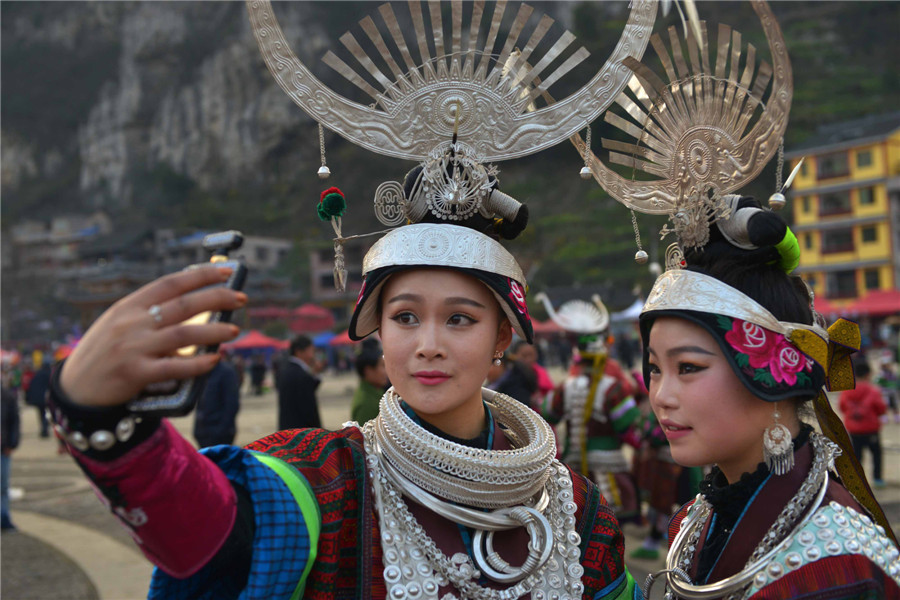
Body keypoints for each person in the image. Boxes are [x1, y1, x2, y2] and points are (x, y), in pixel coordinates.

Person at [636, 200, 900, 597]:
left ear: (772, 374)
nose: (660, 396)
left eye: (688, 367)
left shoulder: (837, 567)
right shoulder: (691, 522)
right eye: (655, 368)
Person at [535, 293, 641, 524]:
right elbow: (627, 424)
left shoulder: (566, 386)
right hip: (609, 466)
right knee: (610, 520)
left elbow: (548, 412)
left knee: (580, 520)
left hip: (575, 469)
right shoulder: (613, 388)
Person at [839, 360, 887, 487]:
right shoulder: (873, 390)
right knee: (876, 454)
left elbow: (842, 407)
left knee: (856, 456)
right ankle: (877, 479)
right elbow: (881, 408)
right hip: (871, 429)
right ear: (868, 374)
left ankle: (857, 480)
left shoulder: (847, 390)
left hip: (854, 429)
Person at [193, 353, 242, 448]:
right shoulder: (203, 373)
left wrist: (222, 430)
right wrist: (197, 431)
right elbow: (200, 402)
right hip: (203, 432)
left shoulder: (226, 372)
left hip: (220, 432)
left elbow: (232, 404)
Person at [275, 335, 323, 430]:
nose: (313, 355)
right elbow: (309, 408)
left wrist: (314, 374)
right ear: (299, 352)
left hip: (287, 429)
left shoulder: (286, 369)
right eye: (311, 351)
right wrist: (318, 431)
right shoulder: (301, 374)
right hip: (301, 431)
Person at [492, 340, 538, 406]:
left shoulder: (541, 376)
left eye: (531, 355)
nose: (529, 359)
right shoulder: (511, 380)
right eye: (524, 356)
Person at [1, 375, 20, 531]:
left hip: (3, 449)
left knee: (3, 486)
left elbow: (15, 422)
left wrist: (11, 443)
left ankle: (4, 518)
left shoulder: (6, 396)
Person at [350, 348, 388, 425]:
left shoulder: (376, 391)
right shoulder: (365, 405)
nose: (386, 371)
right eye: (383, 366)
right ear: (369, 371)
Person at [25, 360, 50, 438]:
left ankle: (43, 429)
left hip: (38, 398)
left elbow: (31, 386)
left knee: (41, 413)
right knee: (47, 413)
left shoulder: (37, 374)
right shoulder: (49, 374)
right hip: (46, 398)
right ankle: (45, 429)